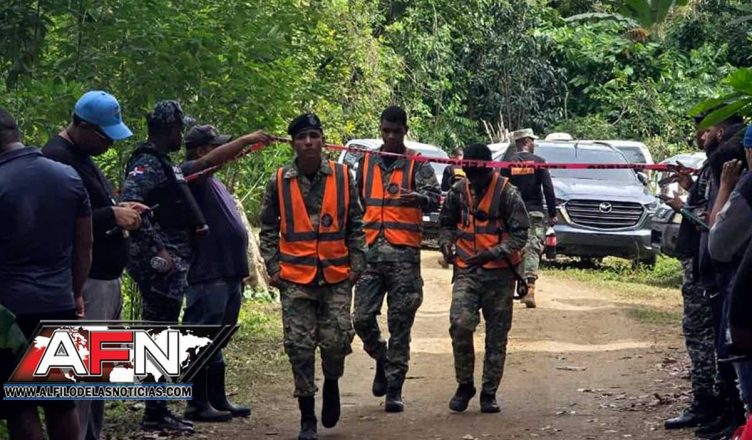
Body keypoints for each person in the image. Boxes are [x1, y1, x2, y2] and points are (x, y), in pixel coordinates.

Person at [43, 91, 144, 440]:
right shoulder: (57, 160)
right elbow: (62, 221)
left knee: (100, 371)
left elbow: (89, 207)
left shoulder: (83, 156)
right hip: (88, 283)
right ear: (82, 126)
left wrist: (118, 209)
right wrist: (111, 216)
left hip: (106, 280)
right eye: (104, 137)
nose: (109, 145)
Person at [259, 113, 365, 440]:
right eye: (302, 137)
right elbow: (268, 228)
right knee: (299, 347)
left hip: (336, 275)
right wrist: (273, 268)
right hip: (295, 278)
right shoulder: (279, 181)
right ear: (293, 143)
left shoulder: (343, 177)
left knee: (336, 341)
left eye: (313, 136)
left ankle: (332, 382)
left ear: (322, 141)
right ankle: (307, 416)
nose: (308, 142)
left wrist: (357, 264)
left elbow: (356, 224)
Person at [0, 107, 92, 440]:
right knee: (61, 402)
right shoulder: (67, 176)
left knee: (20, 405)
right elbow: (85, 244)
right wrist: (76, 291)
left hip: (10, 313)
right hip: (59, 303)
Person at [120, 100, 206, 433]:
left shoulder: (162, 162)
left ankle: (159, 409)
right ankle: (154, 412)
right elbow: (130, 208)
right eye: (179, 129)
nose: (181, 136)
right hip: (159, 267)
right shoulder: (146, 163)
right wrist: (159, 250)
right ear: (169, 129)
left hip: (172, 263)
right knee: (157, 337)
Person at [352, 105, 441, 412]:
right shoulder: (365, 162)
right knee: (361, 318)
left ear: (405, 131)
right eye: (385, 131)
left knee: (400, 325)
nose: (390, 137)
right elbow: (355, 204)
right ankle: (382, 357)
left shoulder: (417, 163)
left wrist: (421, 198)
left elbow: (436, 198)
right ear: (381, 130)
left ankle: (394, 389)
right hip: (370, 254)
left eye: (396, 131)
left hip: (404, 257)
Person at [180, 124, 271, 422]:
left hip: (229, 272)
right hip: (208, 273)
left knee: (218, 338)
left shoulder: (214, 182)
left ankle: (217, 399)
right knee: (200, 336)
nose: (224, 152)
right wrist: (246, 139)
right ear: (200, 150)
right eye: (216, 146)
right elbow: (207, 163)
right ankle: (196, 403)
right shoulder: (190, 174)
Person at [438, 143, 528, 413]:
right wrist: (446, 244)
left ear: (489, 168)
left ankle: (489, 393)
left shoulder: (508, 193)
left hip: (500, 274)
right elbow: (445, 224)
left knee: (496, 336)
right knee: (460, 325)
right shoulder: (458, 191)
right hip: (467, 270)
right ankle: (464, 384)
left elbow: (520, 235)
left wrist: (493, 253)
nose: (474, 178)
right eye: (469, 172)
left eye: (478, 172)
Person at [661, 114, 732, 431]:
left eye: (705, 130)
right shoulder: (712, 165)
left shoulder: (722, 164)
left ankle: (708, 402)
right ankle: (712, 402)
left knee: (702, 335)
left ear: (720, 131)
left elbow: (713, 220)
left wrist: (682, 207)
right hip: (700, 259)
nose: (700, 137)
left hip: (706, 265)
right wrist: (689, 188)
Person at [500, 129, 557, 308]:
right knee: (532, 247)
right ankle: (530, 287)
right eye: (532, 141)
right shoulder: (539, 162)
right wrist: (553, 213)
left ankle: (515, 287)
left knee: (514, 247)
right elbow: (548, 188)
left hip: (513, 212)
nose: (534, 144)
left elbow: (500, 188)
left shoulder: (508, 163)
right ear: (525, 141)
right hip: (534, 212)